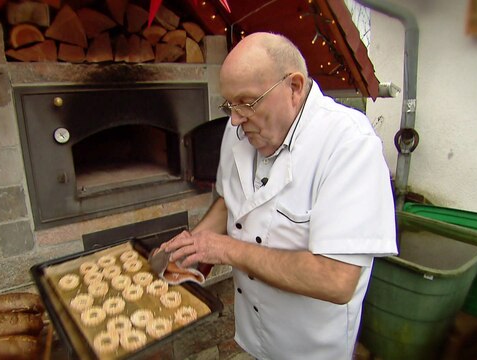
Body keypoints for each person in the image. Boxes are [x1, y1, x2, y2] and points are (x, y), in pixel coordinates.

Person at [159, 32, 398, 359]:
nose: (235, 118)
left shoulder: (348, 145)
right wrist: (194, 246)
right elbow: (230, 200)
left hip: (310, 347)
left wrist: (226, 249)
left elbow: (337, 279)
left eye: (246, 102)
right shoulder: (239, 127)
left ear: (294, 87)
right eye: (229, 104)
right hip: (256, 333)